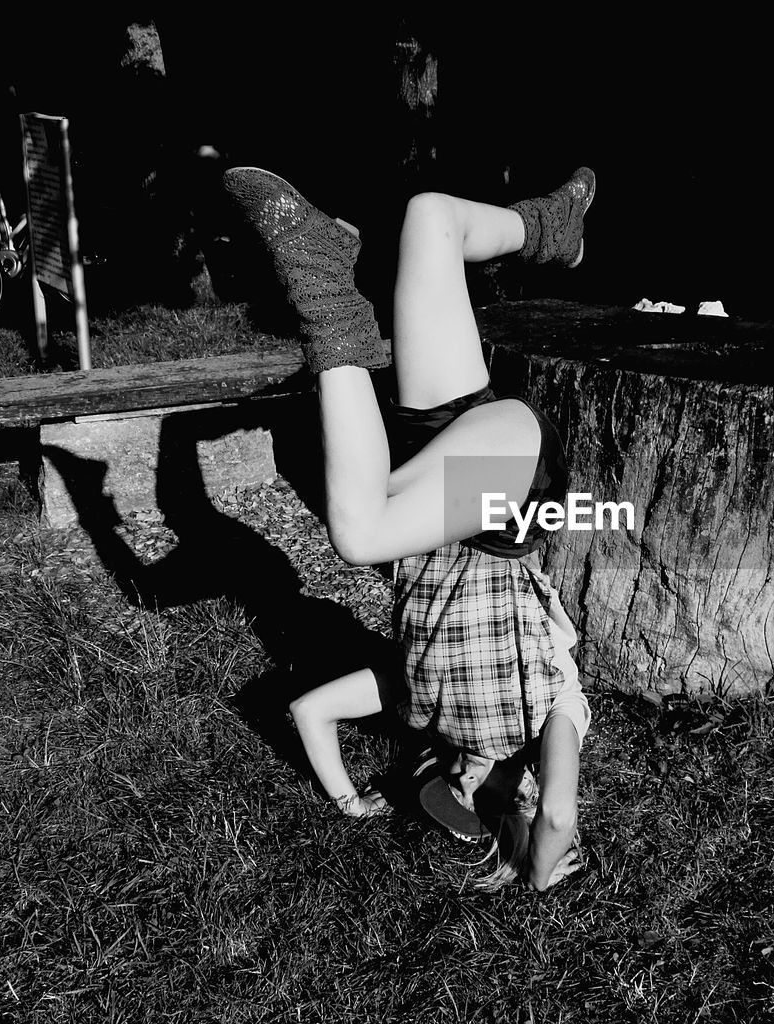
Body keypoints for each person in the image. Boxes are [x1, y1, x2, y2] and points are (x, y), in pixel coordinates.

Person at [222, 164, 596, 891]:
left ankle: (555, 224)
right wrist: (538, 874)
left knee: (431, 217)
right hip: (510, 493)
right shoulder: (554, 709)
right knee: (361, 531)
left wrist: (349, 800)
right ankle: (324, 288)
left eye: (451, 788)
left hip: (448, 460)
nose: (466, 780)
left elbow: (310, 710)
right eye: (481, 797)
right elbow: (556, 813)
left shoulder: (418, 695)